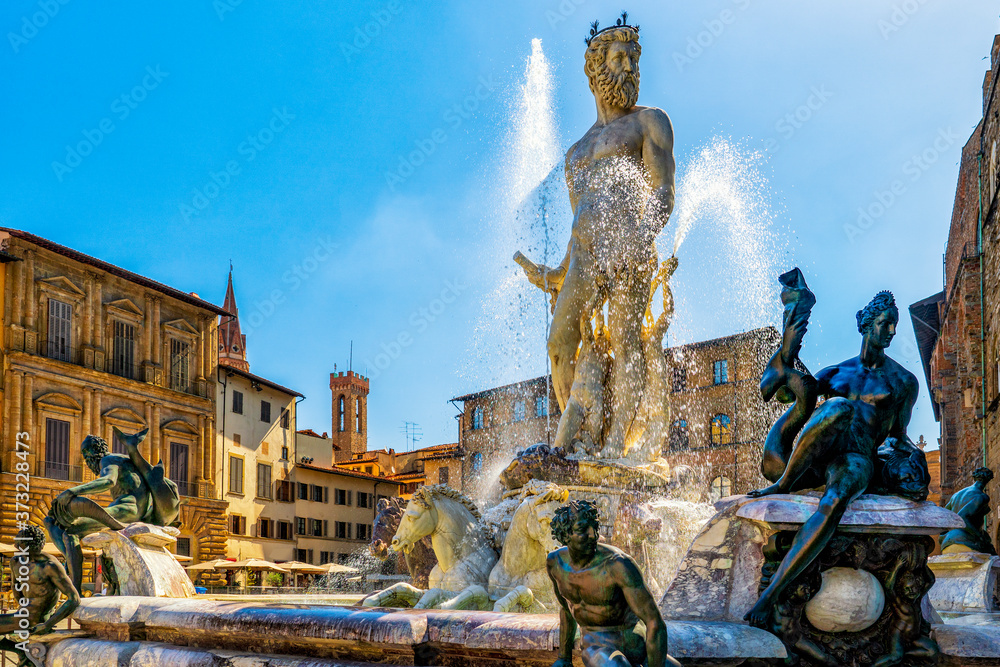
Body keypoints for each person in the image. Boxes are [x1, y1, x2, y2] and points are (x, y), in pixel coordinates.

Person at [518, 13, 675, 456]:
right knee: (559, 341)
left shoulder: (651, 122)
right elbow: (578, 222)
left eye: (634, 60)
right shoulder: (576, 153)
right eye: (621, 58)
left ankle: (618, 450)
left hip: (631, 243)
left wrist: (642, 235)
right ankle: (581, 438)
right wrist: (556, 272)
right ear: (596, 68)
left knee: (626, 338)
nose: (630, 68)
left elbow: (663, 193)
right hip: (587, 255)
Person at [744, 291, 921, 627]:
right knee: (836, 407)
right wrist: (789, 351)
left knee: (835, 499)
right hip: (819, 453)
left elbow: (898, 434)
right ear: (867, 326)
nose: (892, 332)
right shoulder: (836, 373)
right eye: (885, 324)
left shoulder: (902, 382)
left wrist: (910, 459)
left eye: (894, 326)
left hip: (856, 457)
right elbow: (785, 394)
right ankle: (783, 482)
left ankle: (771, 595)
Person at [545, 499, 680, 667]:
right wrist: (563, 658)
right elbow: (567, 608)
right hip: (598, 645)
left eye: (594, 527)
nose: (593, 535)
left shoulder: (618, 564)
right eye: (582, 530)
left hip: (637, 647)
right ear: (565, 535)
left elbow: (655, 622)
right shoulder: (555, 563)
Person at [45, 428, 179, 592]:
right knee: (60, 526)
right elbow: (164, 483)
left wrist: (72, 491)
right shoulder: (124, 460)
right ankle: (70, 567)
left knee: (70, 531)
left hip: (127, 510)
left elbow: (108, 481)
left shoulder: (108, 460)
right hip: (138, 511)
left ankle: (74, 589)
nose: (86, 458)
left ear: (97, 450)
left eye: (87, 453)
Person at [0, 525, 79, 645]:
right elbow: (16, 589)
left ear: (28, 544)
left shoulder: (49, 566)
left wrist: (47, 625)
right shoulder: (15, 562)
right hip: (22, 616)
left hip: (36, 620)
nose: (15, 546)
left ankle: (19, 652)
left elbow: (74, 599)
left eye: (19, 543)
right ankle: (19, 652)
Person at [941, 467, 996, 554]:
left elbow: (944, 515)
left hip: (948, 542)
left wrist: (943, 535)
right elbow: (962, 517)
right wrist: (979, 537)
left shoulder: (956, 495)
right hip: (966, 541)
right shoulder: (981, 496)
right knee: (992, 554)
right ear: (988, 480)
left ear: (974, 477)